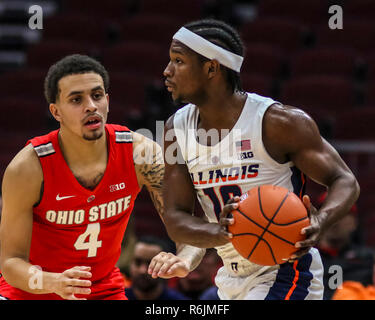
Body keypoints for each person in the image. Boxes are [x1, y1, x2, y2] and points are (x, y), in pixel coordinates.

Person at [148, 19, 360, 300]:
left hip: (286, 270)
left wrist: (320, 221)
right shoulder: (176, 128)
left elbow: (344, 180)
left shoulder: (278, 122)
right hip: (231, 277)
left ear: (212, 68)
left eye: (178, 61)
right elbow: (175, 217)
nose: (167, 71)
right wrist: (219, 232)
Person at [0, 54, 201, 300]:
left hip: (103, 289)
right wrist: (53, 282)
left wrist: (184, 259)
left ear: (107, 100)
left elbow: (189, 227)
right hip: (32, 290)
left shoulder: (141, 153)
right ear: (56, 111)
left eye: (96, 96)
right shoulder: (27, 168)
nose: (91, 106)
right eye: (76, 99)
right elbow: (10, 262)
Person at [316, 192, 374, 300]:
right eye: (328, 212)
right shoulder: (304, 258)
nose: (334, 220)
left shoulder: (369, 259)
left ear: (354, 222)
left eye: (342, 213)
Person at [125, 236, 189, 300]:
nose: (143, 270)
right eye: (138, 262)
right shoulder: (117, 297)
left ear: (165, 266)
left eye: (151, 263)